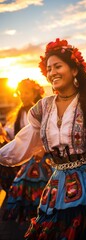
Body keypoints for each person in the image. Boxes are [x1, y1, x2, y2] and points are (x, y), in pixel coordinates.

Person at [0, 38, 86, 240]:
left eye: (57, 66)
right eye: (48, 68)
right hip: (59, 186)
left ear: (74, 70)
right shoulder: (42, 109)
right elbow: (22, 143)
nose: (52, 72)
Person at [0, 79, 52, 223]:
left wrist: (42, 149)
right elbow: (15, 135)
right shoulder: (18, 113)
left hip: (42, 156)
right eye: (21, 92)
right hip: (27, 157)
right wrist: (3, 132)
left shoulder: (41, 111)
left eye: (26, 92)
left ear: (35, 93)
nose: (23, 95)